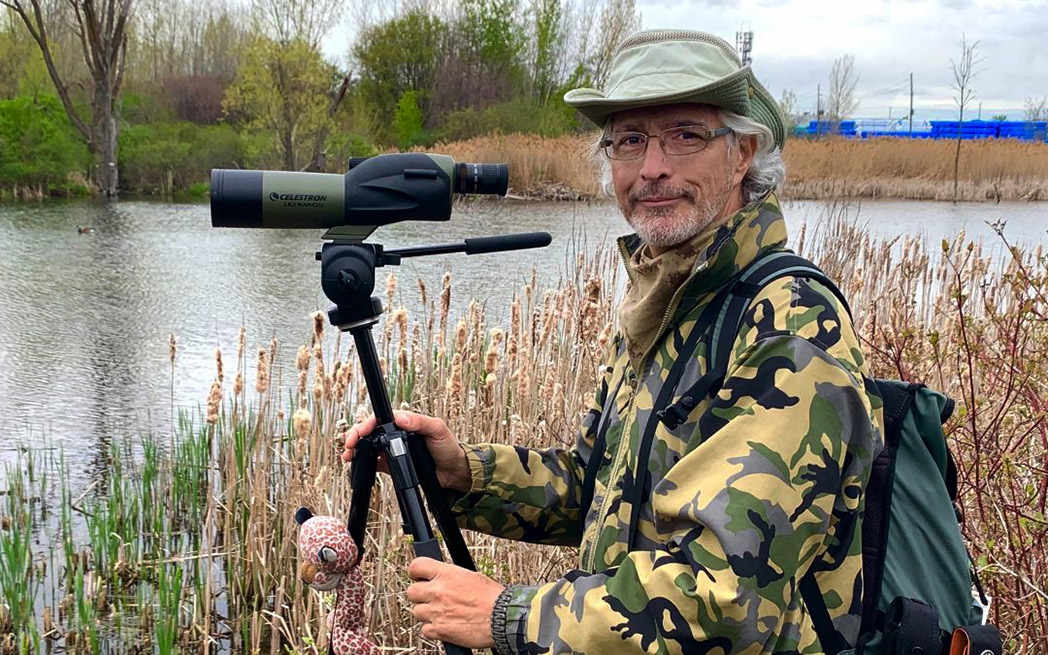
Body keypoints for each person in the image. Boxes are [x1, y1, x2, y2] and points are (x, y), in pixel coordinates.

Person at [342, 29, 883, 655]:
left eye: (685, 135)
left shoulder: (789, 322)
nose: (652, 168)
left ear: (743, 154)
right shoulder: (669, 305)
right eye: (630, 140)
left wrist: (508, 615)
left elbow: (727, 595)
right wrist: (465, 473)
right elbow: (595, 490)